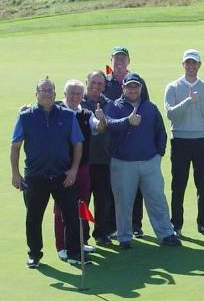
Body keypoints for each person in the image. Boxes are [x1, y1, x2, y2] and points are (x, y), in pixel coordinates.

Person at [11, 78, 88, 267]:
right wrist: (15, 173)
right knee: (34, 218)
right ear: (36, 93)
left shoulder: (68, 116)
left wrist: (74, 170)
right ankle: (35, 254)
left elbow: (78, 144)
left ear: (55, 94)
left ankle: (74, 253)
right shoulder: (25, 117)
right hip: (35, 177)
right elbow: (15, 146)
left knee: (71, 215)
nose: (46, 93)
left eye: (49, 90)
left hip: (62, 176)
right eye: (42, 90)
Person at [105, 73, 180, 249]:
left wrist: (158, 154)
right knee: (123, 202)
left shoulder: (149, 107)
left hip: (149, 162)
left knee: (157, 199)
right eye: (129, 86)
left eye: (136, 86)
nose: (132, 89)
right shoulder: (114, 107)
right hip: (123, 163)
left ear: (140, 88)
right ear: (123, 88)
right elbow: (109, 124)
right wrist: (127, 121)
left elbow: (160, 132)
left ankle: (166, 234)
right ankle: (124, 237)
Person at [164, 49, 204, 235]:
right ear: (183, 65)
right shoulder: (172, 87)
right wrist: (188, 100)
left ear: (199, 65)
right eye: (188, 63)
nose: (191, 67)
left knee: (203, 184)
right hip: (180, 141)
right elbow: (171, 114)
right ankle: (176, 225)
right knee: (178, 185)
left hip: (202, 142)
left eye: (194, 63)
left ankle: (203, 222)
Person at [52, 79, 104, 260]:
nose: (75, 97)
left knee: (82, 205)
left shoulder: (87, 114)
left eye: (78, 94)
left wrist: (102, 118)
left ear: (82, 96)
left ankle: (79, 242)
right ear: (65, 94)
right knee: (61, 208)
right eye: (71, 93)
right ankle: (62, 245)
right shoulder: (56, 111)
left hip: (83, 167)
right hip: (62, 169)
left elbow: (99, 127)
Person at [104, 46, 147, 237]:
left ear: (129, 61)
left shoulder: (137, 81)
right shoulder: (105, 82)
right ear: (111, 60)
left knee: (137, 187)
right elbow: (86, 96)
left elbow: (145, 108)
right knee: (115, 188)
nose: (119, 62)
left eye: (123, 58)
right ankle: (114, 226)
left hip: (135, 143)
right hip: (113, 144)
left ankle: (136, 225)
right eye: (116, 58)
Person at [80, 71, 115, 245]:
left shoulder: (109, 104)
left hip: (103, 159)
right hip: (83, 161)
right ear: (86, 82)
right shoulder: (77, 101)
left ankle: (102, 233)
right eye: (93, 83)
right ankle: (83, 237)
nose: (96, 87)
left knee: (103, 200)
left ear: (104, 86)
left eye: (100, 84)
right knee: (83, 201)